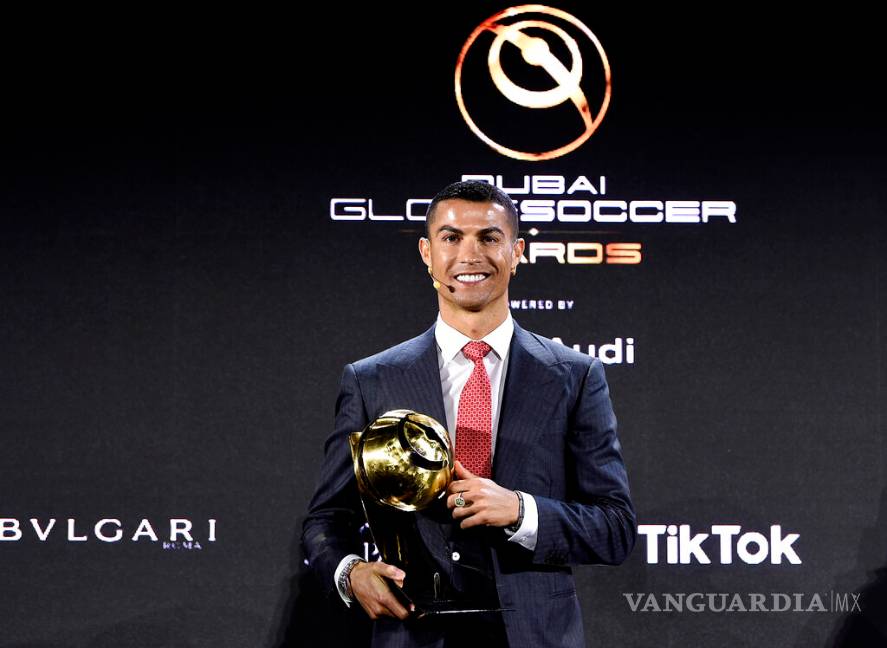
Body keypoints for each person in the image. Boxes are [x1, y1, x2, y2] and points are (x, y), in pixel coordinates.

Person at [302, 180, 636, 647]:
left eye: (489, 237)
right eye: (452, 237)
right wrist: (350, 572)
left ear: (516, 253)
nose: (470, 255)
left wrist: (521, 511)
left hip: (535, 635)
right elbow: (326, 519)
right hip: (414, 630)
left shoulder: (575, 377)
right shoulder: (371, 379)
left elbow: (615, 527)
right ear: (427, 252)